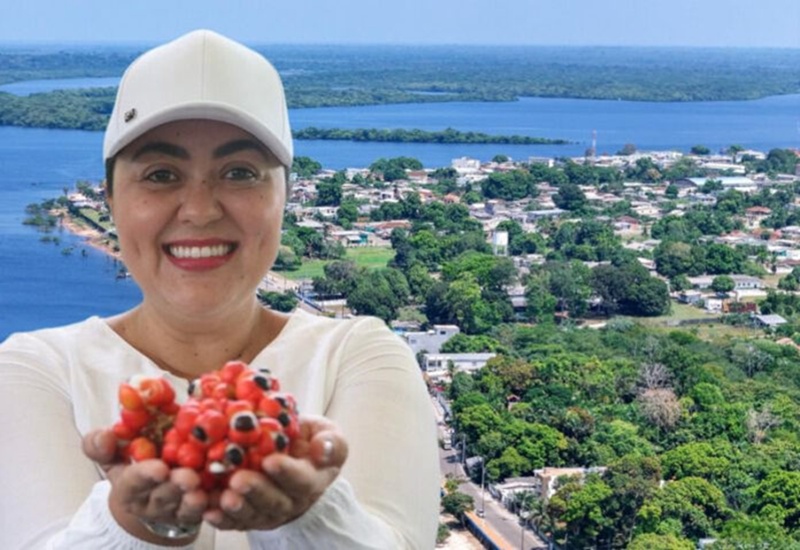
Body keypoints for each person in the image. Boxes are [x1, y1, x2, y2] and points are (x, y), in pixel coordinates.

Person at [0, 29, 440, 549]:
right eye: (161, 174)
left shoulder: (361, 355)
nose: (201, 209)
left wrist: (312, 520)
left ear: (285, 198)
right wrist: (131, 524)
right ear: (111, 201)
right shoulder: (35, 369)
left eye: (239, 172)